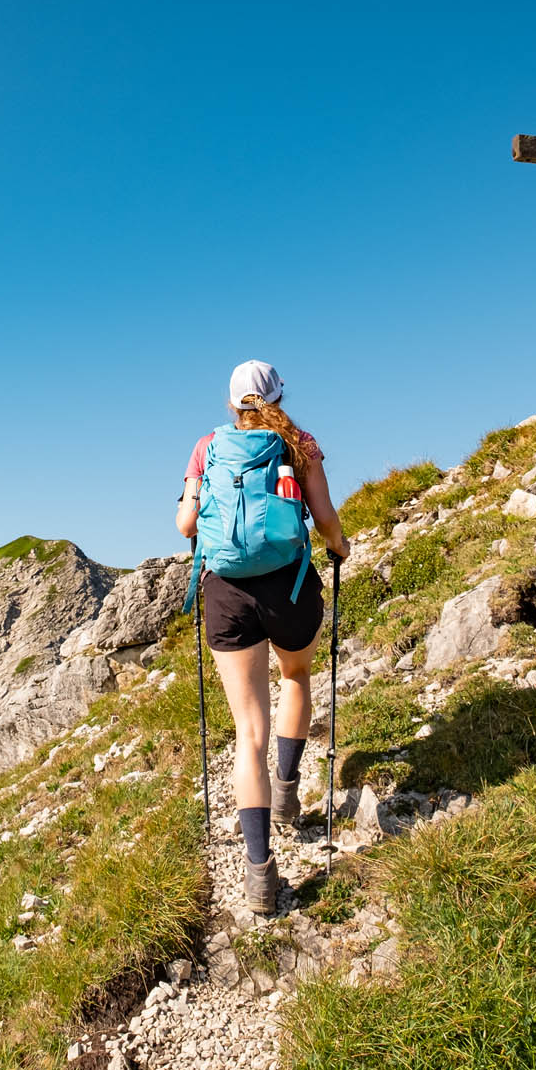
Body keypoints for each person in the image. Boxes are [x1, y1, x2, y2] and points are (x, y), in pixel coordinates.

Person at [176, 360, 350, 914]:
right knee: (296, 676)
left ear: (232, 403)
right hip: (289, 584)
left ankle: (258, 874)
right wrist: (340, 546)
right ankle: (287, 792)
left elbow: (185, 525)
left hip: (226, 591)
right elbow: (323, 516)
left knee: (246, 730)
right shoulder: (299, 443)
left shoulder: (207, 447)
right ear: (279, 394)